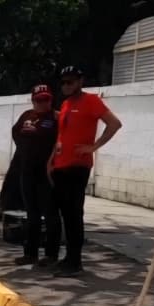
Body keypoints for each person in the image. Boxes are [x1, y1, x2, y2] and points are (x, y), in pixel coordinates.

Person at [48, 65, 123, 277]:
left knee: (73, 214)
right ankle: (66, 258)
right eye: (63, 82)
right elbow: (62, 135)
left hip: (77, 166)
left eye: (70, 81)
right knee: (60, 212)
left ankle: (74, 261)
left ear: (80, 81)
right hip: (60, 165)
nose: (66, 86)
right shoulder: (65, 104)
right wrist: (51, 159)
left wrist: (94, 146)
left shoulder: (91, 101)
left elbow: (114, 124)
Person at [13, 84, 61, 266]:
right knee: (31, 214)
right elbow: (16, 134)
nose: (43, 103)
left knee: (50, 214)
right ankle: (30, 253)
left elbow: (60, 142)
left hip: (47, 172)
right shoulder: (26, 116)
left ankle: (51, 255)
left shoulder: (56, 118)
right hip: (27, 171)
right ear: (33, 100)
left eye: (46, 100)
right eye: (39, 100)